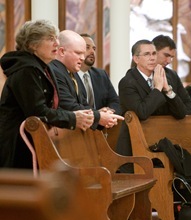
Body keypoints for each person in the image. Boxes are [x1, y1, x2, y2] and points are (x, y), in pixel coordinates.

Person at [0, 20, 94, 169]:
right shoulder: (26, 70)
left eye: (56, 38)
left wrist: (75, 116)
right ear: (32, 44)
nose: (56, 43)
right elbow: (37, 112)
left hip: (34, 140)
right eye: (50, 38)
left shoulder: (42, 68)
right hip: (19, 146)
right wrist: (73, 118)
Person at [115, 39, 191, 161]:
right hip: (136, 147)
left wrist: (167, 90)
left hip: (163, 141)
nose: (152, 58)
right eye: (147, 54)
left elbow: (181, 113)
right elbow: (142, 112)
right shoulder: (127, 82)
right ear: (136, 59)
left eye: (154, 54)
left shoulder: (166, 76)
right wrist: (157, 88)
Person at [49, 30, 123, 130]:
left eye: (83, 54)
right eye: (78, 53)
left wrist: (102, 115)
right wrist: (99, 116)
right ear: (62, 51)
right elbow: (69, 106)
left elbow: (83, 104)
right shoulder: (55, 71)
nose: (82, 58)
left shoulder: (68, 72)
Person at [76, 33, 121, 115]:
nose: (92, 52)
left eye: (94, 48)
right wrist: (98, 114)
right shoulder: (69, 75)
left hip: (104, 125)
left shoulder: (101, 75)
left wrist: (109, 112)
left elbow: (115, 101)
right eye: (87, 47)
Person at [152, 34, 191, 115]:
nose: (169, 61)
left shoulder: (172, 75)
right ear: (154, 52)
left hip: (173, 124)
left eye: (171, 57)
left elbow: (189, 107)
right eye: (166, 55)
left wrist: (169, 91)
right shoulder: (141, 74)